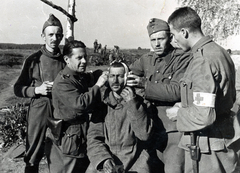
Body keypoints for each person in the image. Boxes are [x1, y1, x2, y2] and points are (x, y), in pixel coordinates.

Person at [166, 7, 239, 173]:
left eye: (173, 34)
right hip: (221, 143)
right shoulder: (219, 52)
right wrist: (186, 104)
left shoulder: (202, 60)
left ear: (184, 32)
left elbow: (203, 116)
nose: (172, 40)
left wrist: (178, 113)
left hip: (207, 151)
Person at [127, 18, 192, 173]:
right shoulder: (147, 59)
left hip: (172, 131)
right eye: (153, 40)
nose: (156, 44)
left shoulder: (182, 58)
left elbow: (176, 91)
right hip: (149, 128)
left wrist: (144, 85)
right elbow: (127, 73)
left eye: (160, 39)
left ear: (170, 38)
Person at [44, 40, 108, 173]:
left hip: (79, 135)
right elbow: (79, 104)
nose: (84, 61)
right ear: (67, 59)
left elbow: (91, 76)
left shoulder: (78, 76)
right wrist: (98, 85)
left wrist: (108, 73)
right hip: (69, 138)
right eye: (79, 58)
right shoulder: (63, 82)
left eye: (85, 57)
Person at [13, 14, 65, 173]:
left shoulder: (65, 59)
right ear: (43, 36)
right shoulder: (34, 59)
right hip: (39, 109)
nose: (54, 38)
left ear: (62, 36)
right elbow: (18, 88)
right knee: (33, 153)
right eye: (50, 34)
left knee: (59, 152)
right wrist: (37, 90)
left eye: (58, 35)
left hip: (59, 109)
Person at [87, 61, 153, 173]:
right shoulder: (102, 105)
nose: (115, 80)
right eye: (112, 76)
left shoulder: (141, 103)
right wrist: (103, 159)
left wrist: (132, 104)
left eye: (120, 76)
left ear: (127, 78)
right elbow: (94, 138)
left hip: (135, 160)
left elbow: (144, 135)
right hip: (108, 158)